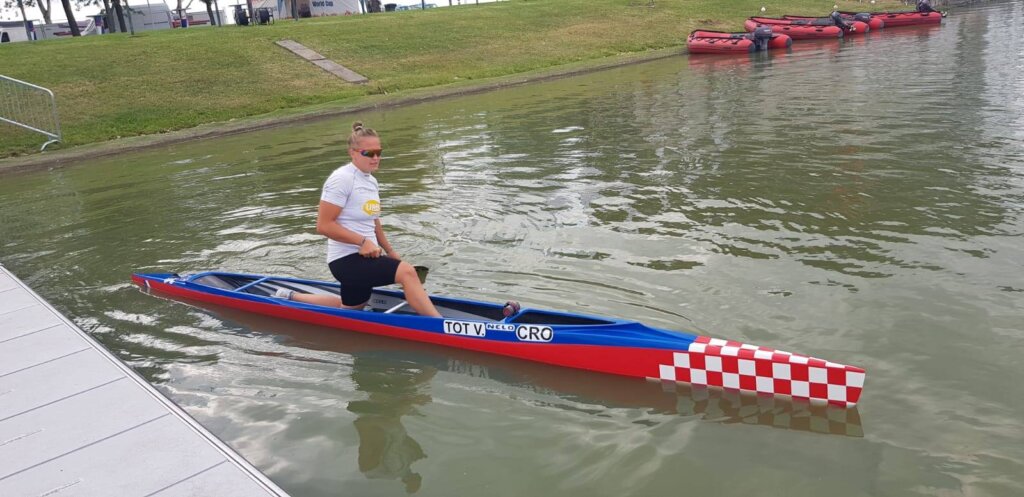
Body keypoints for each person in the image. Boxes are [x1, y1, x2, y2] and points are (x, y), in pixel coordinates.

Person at [278, 121, 442, 317]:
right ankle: (440, 325)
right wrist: (362, 242)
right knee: (407, 272)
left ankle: (289, 296)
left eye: (378, 152)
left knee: (350, 310)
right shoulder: (341, 179)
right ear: (353, 153)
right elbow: (323, 225)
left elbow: (374, 221)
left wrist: (390, 251)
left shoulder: (371, 181)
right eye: (369, 153)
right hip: (345, 261)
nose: (376, 158)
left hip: (367, 258)